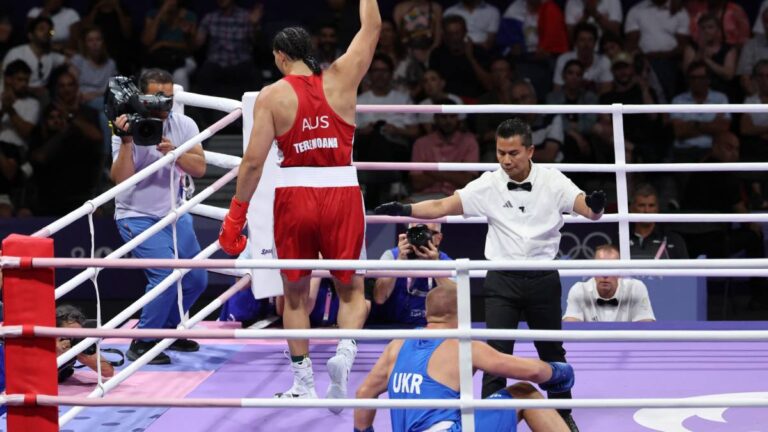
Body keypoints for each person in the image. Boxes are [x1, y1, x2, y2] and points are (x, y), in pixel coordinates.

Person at [375, 118, 606, 431]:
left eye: (513, 153)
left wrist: (596, 206)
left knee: (551, 349)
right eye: (500, 153)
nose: (506, 160)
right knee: (495, 353)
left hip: (543, 276)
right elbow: (444, 204)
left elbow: (588, 211)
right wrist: (405, 210)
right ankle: (489, 419)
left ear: (531, 150)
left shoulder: (553, 181)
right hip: (501, 278)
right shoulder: (488, 183)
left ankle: (563, 416)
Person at [217, 0, 381, 408]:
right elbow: (372, 26)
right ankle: (344, 355)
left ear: (280, 56)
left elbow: (254, 163)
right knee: (352, 291)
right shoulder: (344, 76)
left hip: (295, 195)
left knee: (294, 295)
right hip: (342, 191)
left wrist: (235, 218)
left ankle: (303, 383)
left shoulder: (272, 96)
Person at [354, 286, 571, 432]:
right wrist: (558, 373)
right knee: (525, 393)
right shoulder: (462, 347)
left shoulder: (396, 346)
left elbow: (364, 394)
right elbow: (532, 372)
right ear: (462, 312)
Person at [111, 69, 207, 365]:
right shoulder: (127, 127)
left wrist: (176, 153)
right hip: (136, 215)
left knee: (196, 279)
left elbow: (200, 168)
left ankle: (165, 331)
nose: (164, 102)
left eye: (169, 96)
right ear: (142, 97)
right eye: (157, 96)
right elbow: (120, 180)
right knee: (165, 276)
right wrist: (127, 142)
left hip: (174, 213)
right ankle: (143, 342)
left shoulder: (185, 124)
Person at [371, 223, 456, 327]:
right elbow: (379, 298)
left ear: (438, 238)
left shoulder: (446, 262)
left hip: (430, 328)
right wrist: (398, 263)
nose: (421, 237)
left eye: (426, 232)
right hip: (391, 326)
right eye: (416, 232)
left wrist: (436, 266)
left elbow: (456, 302)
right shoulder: (391, 256)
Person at [563, 244, 656, 322]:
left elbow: (646, 327)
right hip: (590, 343)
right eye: (600, 268)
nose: (605, 275)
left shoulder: (636, 288)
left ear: (619, 272)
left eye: (610, 268)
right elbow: (570, 327)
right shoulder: (579, 290)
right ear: (593, 271)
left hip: (627, 343)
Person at [55, 304, 117, 382]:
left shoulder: (77, 343)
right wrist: (57, 355)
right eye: (68, 334)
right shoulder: (43, 344)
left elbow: (108, 372)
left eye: (76, 334)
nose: (72, 339)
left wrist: (81, 355)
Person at [629, 183, 688, 259]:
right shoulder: (619, 238)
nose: (646, 210)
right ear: (631, 208)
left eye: (651, 205)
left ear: (657, 208)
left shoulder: (673, 240)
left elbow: (684, 270)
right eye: (641, 205)